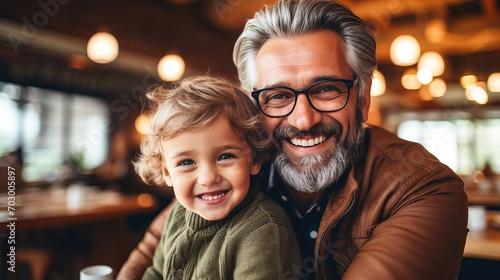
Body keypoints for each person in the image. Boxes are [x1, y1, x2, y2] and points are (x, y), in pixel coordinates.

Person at [118, 1, 468, 279]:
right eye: (278, 95)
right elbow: (157, 247)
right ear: (253, 107)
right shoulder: (233, 164)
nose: (304, 120)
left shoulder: (425, 189)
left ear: (362, 98)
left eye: (327, 89)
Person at [132, 76, 301, 279]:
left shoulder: (264, 231)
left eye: (225, 157)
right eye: (186, 162)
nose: (208, 178)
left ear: (254, 160)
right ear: (167, 173)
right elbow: (156, 273)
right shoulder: (177, 214)